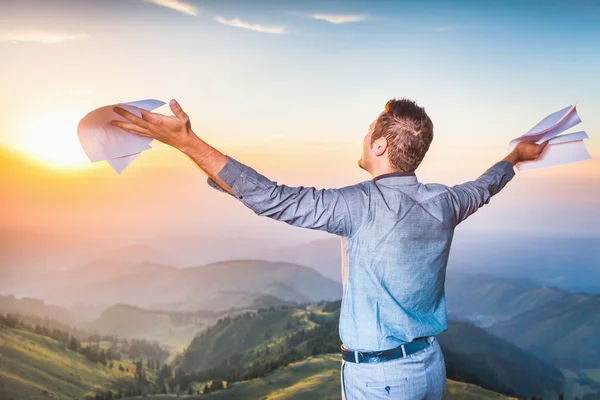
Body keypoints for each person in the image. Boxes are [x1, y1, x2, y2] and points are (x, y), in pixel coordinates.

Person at [111, 98, 549, 399]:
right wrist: (514, 158)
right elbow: (485, 186)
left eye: (367, 132)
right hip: (429, 367)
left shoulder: (358, 205)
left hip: (381, 381)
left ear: (379, 145)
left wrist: (187, 142)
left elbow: (273, 197)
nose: (363, 137)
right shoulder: (445, 201)